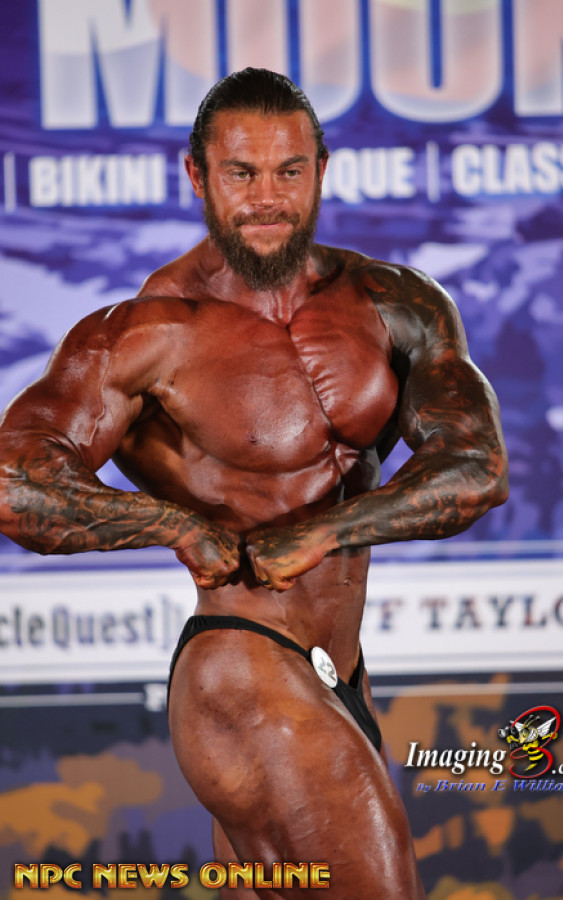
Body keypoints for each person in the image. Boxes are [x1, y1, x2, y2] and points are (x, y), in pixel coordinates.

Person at [0, 68, 508, 898]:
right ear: (198, 175)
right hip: (245, 669)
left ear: (321, 170)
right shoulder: (145, 334)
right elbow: (15, 481)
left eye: (289, 171)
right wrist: (173, 525)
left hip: (339, 674)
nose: (267, 198)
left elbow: (477, 467)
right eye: (241, 173)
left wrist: (325, 530)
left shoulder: (394, 303)